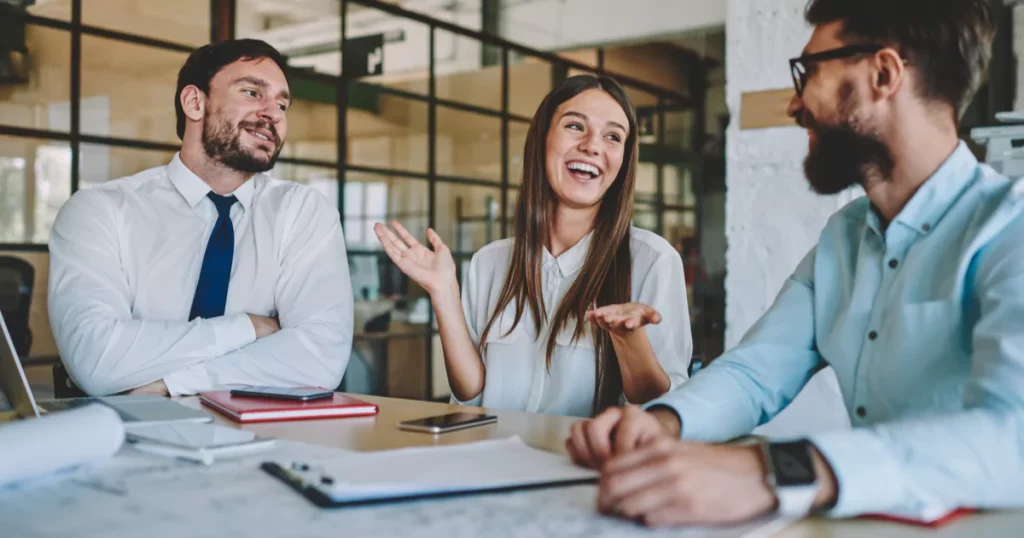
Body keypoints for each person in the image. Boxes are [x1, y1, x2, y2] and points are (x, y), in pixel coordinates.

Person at [566, 0, 1024, 527]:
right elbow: (757, 371)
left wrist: (774, 471)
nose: (793, 103)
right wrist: (663, 424)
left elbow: (1012, 434)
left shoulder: (1008, 230)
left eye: (808, 71)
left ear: (883, 74)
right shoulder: (845, 238)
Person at [48, 39, 353, 397]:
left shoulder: (303, 212)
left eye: (282, 103)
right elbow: (96, 360)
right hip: (126, 440)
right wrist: (249, 328)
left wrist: (169, 385)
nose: (274, 113)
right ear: (195, 102)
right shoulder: (99, 211)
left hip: (262, 440)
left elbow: (321, 358)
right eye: (253, 92)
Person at [374, 75, 691, 417]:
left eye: (613, 136)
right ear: (541, 139)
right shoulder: (490, 261)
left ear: (624, 161)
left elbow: (660, 412)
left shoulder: (653, 261)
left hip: (584, 466)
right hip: (492, 460)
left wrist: (631, 342)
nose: (592, 146)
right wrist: (444, 294)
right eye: (575, 126)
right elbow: (472, 395)